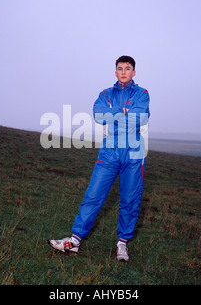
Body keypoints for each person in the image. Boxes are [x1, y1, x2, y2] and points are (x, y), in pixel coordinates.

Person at [48, 55, 150, 261]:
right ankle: (75, 241)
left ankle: (122, 244)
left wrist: (116, 115)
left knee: (130, 199)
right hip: (109, 150)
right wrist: (122, 113)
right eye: (120, 68)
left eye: (127, 68)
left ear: (134, 72)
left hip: (134, 152)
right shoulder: (105, 94)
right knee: (93, 195)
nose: (123, 72)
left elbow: (140, 117)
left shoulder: (142, 93)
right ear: (115, 72)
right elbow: (98, 115)